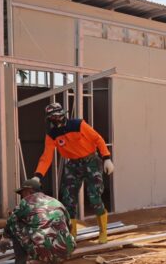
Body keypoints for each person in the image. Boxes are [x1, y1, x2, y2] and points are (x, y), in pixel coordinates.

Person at [33, 103, 114, 243]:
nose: (55, 119)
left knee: (94, 197)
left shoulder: (78, 124)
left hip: (91, 161)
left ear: (62, 114)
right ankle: (72, 235)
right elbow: (46, 157)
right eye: (51, 117)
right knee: (68, 199)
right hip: (73, 165)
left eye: (57, 116)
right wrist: (38, 175)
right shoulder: (52, 135)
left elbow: (97, 139)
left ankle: (103, 232)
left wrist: (106, 157)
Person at [0, 178, 75, 264]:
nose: (22, 196)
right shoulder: (56, 202)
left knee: (16, 225)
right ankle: (55, 263)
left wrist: (4, 237)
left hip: (43, 250)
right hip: (67, 250)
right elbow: (69, 226)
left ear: (28, 191)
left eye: (22, 193)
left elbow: (11, 221)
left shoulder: (26, 202)